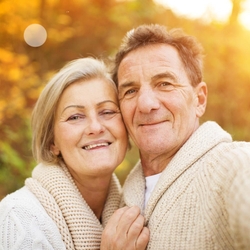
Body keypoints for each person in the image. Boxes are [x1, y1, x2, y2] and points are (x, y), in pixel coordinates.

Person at [102, 24, 250, 249]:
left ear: (199, 100)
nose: (146, 104)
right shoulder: (118, 199)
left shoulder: (235, 164)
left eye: (164, 84)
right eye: (130, 91)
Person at [0, 57, 149, 250]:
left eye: (107, 112)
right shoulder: (20, 218)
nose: (95, 127)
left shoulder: (133, 209)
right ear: (53, 142)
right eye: (75, 117)